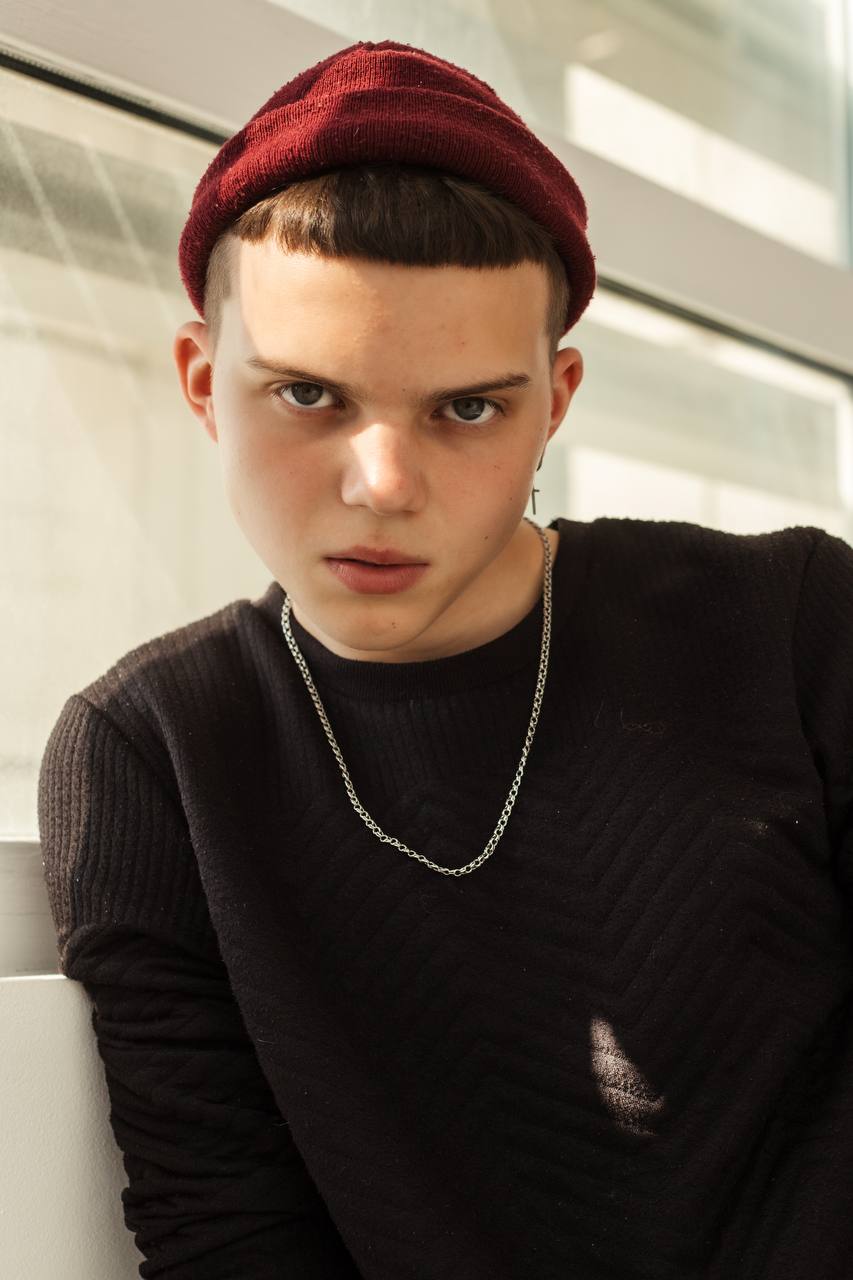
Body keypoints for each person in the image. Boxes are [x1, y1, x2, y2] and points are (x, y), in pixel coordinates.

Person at [37, 37, 853, 1280]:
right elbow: (224, 1232)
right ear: (203, 382)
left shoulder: (790, 623)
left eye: (466, 408)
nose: (383, 485)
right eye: (307, 395)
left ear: (553, 401)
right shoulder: (154, 748)